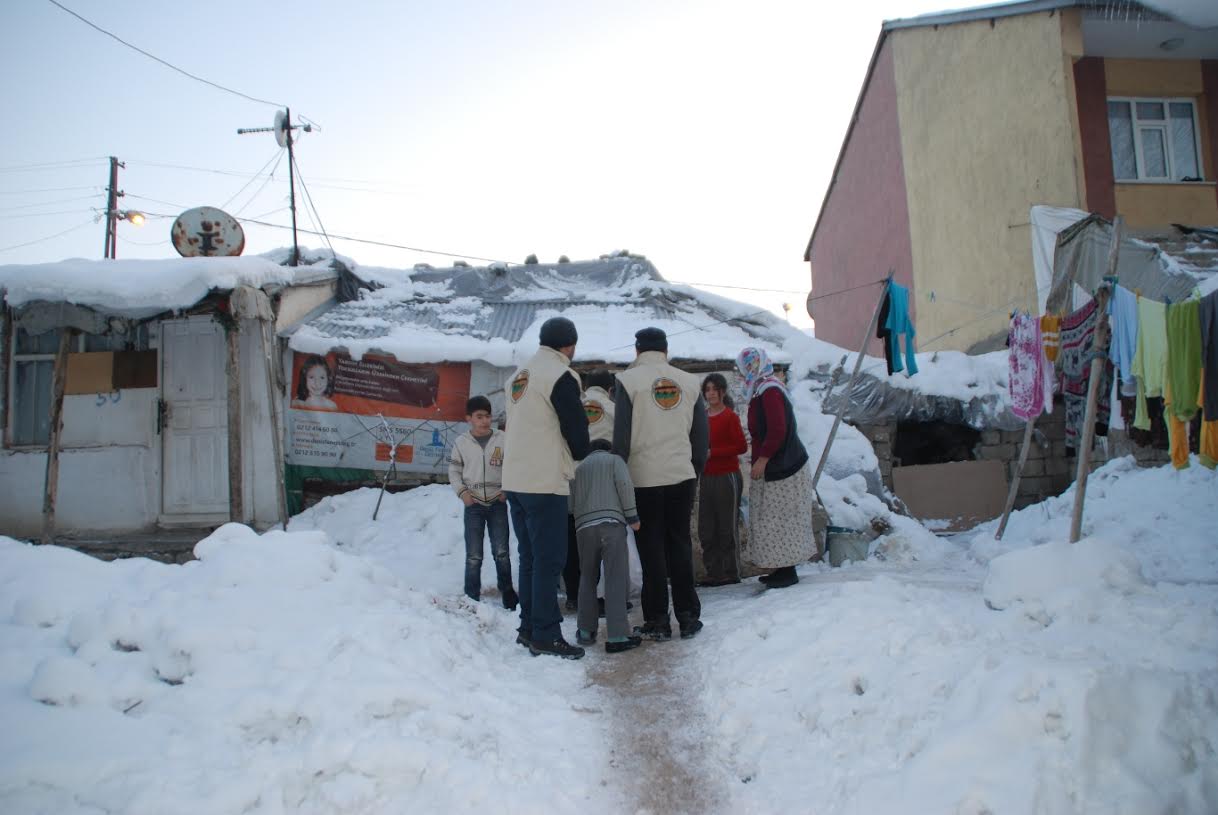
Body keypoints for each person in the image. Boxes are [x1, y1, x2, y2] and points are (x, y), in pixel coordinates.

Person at [502, 316, 591, 659]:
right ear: (569, 346)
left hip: (516, 480)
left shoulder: (518, 377)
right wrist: (584, 450)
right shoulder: (560, 374)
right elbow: (576, 425)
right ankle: (546, 633)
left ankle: (528, 627)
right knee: (549, 559)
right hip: (544, 480)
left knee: (529, 558)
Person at [613, 327, 709, 641]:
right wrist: (692, 469)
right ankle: (688, 616)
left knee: (651, 547)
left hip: (643, 478)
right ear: (666, 351)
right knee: (680, 543)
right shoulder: (690, 382)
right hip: (682, 475)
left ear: (637, 351)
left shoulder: (628, 381)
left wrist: (619, 479)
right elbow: (700, 438)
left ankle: (657, 619)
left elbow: (622, 438)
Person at [735, 346, 815, 589]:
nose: (744, 372)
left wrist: (763, 459)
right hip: (776, 466)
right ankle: (781, 568)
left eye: (747, 367)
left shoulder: (770, 391)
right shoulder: (760, 390)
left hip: (785, 467)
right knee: (772, 519)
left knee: (781, 519)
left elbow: (778, 430)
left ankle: (787, 571)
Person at [569, 439, 642, 654]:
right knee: (615, 577)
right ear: (608, 449)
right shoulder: (614, 461)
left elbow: (570, 504)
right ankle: (618, 635)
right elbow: (624, 485)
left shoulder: (578, 467)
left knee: (587, 577)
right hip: (611, 524)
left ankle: (585, 631)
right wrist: (632, 515)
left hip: (583, 528)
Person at [448, 395, 517, 610]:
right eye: (479, 417)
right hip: (474, 504)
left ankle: (508, 593)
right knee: (474, 555)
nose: (485, 421)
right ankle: (471, 597)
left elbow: (513, 465)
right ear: (469, 418)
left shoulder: (503, 438)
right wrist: (463, 493)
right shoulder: (461, 442)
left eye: (488, 416)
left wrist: (506, 490)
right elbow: (454, 471)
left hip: (497, 502)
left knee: (502, 552)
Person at [563, 369, 619, 611]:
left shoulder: (573, 406)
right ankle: (596, 596)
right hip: (601, 483)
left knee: (571, 539)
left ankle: (574, 596)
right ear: (609, 389)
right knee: (599, 540)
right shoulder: (614, 409)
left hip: (570, 478)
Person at [697, 373, 748, 586]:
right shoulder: (702, 417)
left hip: (726, 476)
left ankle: (730, 571)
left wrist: (714, 452)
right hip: (706, 476)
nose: (710, 394)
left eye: (714, 389)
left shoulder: (730, 417)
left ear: (722, 392)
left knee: (726, 525)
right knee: (706, 526)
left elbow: (741, 447)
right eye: (707, 389)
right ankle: (713, 571)